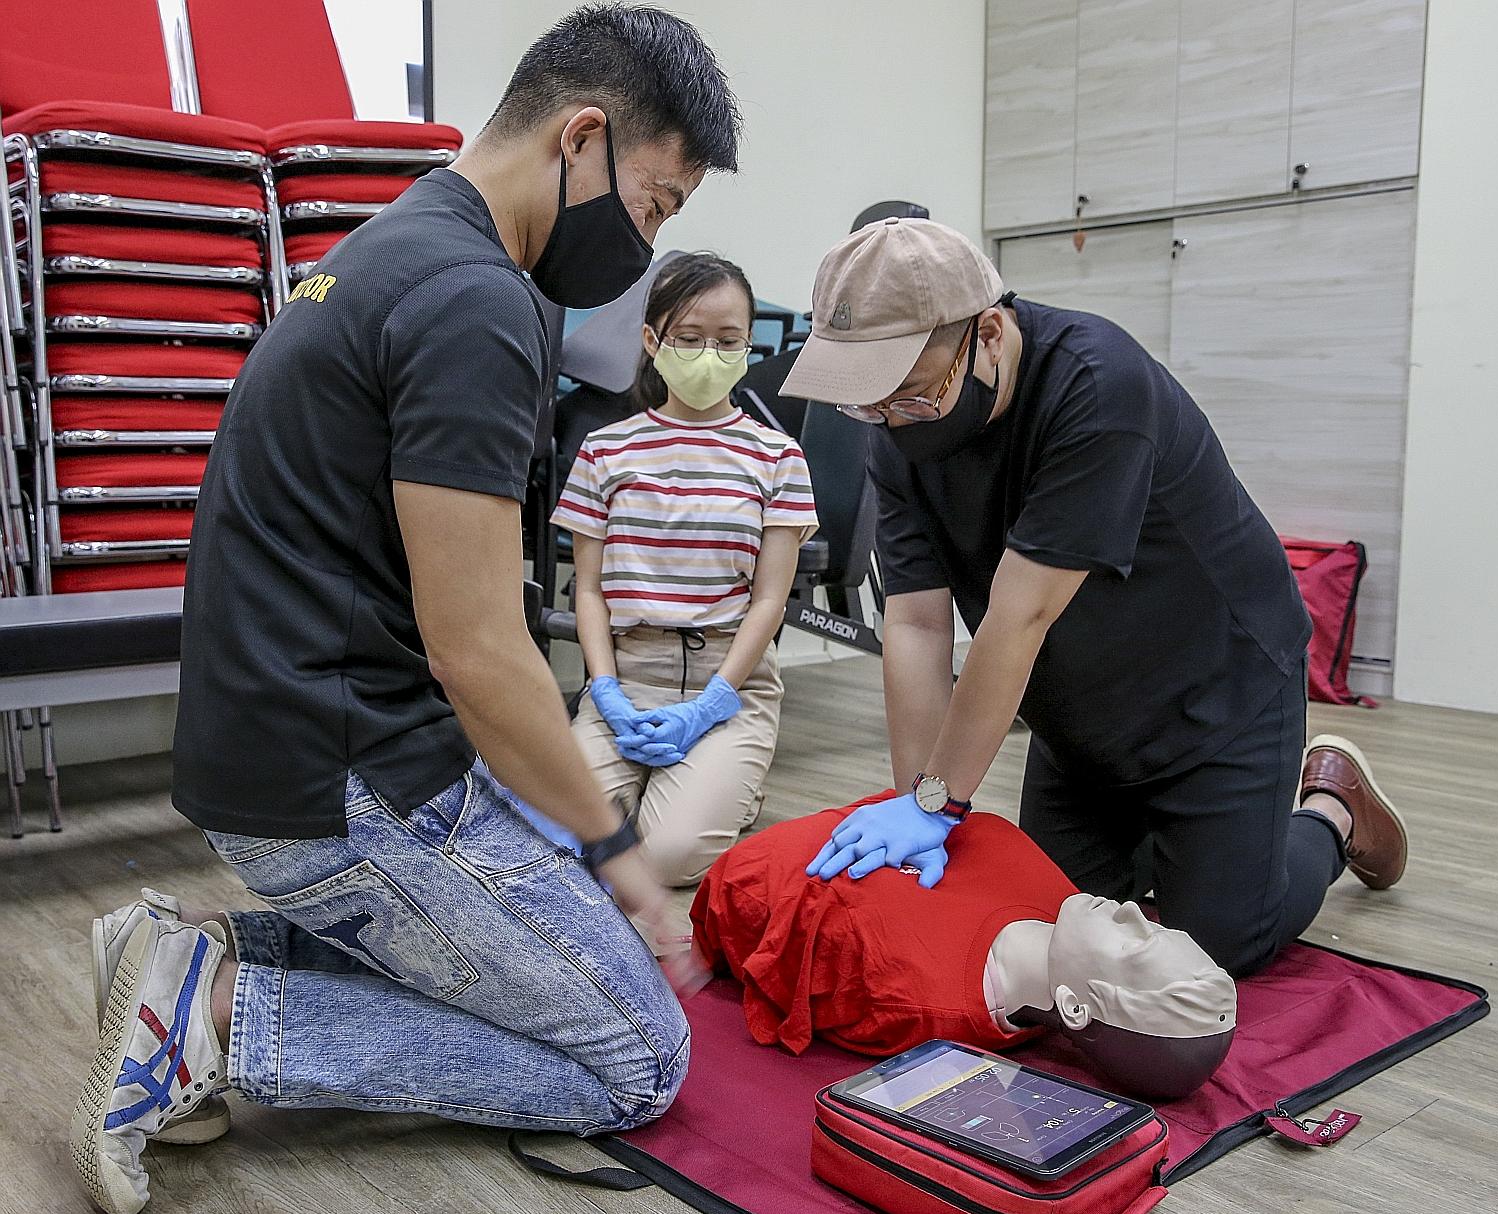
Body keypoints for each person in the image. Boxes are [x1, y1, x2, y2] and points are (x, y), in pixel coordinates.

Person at [69, 6, 741, 1214]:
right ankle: (219, 1020)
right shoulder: (474, 299)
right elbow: (478, 649)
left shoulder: (386, 246)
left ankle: (187, 955)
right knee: (641, 1057)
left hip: (271, 753)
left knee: (549, 962)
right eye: (656, 204)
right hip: (347, 782)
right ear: (580, 137)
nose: (647, 243)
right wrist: (615, 851)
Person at [779, 219, 1409, 981]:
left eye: (912, 397)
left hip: (1215, 688)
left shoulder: (1095, 385)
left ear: (987, 331)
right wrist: (916, 804)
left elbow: (1020, 615)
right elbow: (914, 621)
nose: (887, 422)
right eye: (867, 407)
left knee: (1215, 947)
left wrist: (942, 800)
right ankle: (1169, 839)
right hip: (1076, 703)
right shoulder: (894, 428)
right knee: (1054, 926)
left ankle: (1332, 809)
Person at [551, 253, 818, 887]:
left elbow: (768, 601)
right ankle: (678, 781)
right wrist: (606, 691)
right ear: (652, 341)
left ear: (748, 345)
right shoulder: (604, 450)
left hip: (729, 683)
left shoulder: (778, 456)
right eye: (689, 338)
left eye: (728, 341)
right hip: (626, 676)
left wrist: (714, 702)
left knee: (665, 859)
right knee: (562, 843)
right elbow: (587, 589)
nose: (709, 355)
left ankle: (730, 777)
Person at [693, 798, 1237, 1101]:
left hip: (751, 870)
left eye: (1134, 942)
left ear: (1074, 1007)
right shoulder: (1062, 900)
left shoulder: (903, 998)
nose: (1131, 911)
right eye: (1158, 926)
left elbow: (738, 898)